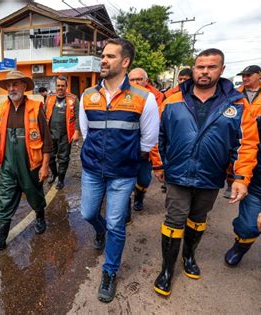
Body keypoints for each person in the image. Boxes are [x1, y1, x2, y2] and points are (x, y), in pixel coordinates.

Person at [153, 48, 259, 297]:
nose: (204, 71)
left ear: (221, 70)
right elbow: (158, 136)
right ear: (193, 68)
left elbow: (246, 144)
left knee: (198, 220)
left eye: (211, 67)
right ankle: (167, 270)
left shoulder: (237, 104)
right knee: (173, 221)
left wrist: (241, 178)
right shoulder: (172, 100)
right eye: (200, 66)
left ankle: (189, 256)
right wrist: (159, 164)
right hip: (178, 175)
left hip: (210, 177)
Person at [79, 38, 159, 303]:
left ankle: (110, 272)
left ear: (125, 62)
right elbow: (85, 132)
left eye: (110, 56)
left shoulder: (143, 98)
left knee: (116, 223)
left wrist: (125, 160)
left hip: (123, 174)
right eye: (103, 55)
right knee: (88, 213)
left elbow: (148, 141)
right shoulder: (87, 96)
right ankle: (98, 230)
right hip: (92, 169)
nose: (103, 60)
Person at [0, 70, 51, 253]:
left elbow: (47, 140)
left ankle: (40, 217)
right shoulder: (3, 108)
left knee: (35, 194)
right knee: (4, 200)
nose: (12, 88)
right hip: (8, 165)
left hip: (30, 164)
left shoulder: (36, 107)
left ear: (24, 86)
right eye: (9, 85)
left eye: (16, 84)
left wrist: (44, 166)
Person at [224, 96, 261, 297]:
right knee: (248, 225)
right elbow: (245, 143)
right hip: (260, 184)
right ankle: (240, 247)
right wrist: (238, 176)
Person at [223, 65, 261, 199]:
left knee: (259, 161)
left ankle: (255, 186)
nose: (245, 78)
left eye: (249, 75)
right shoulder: (235, 94)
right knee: (235, 158)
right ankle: (232, 184)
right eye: (243, 76)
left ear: (259, 75)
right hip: (241, 131)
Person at [127, 68, 164, 214]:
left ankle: (139, 197)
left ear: (146, 81)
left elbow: (156, 131)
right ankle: (125, 211)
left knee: (144, 179)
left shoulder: (156, 98)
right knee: (124, 182)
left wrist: (158, 164)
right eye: (132, 80)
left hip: (146, 150)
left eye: (139, 79)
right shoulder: (121, 95)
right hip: (127, 147)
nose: (136, 83)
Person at [44, 76, 80, 190]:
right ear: (55, 86)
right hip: (50, 134)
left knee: (63, 158)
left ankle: (61, 179)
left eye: (62, 86)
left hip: (66, 134)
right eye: (58, 85)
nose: (60, 88)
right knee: (49, 157)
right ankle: (54, 173)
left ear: (66, 86)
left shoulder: (73, 99)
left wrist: (76, 132)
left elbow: (78, 116)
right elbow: (43, 114)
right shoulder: (49, 98)